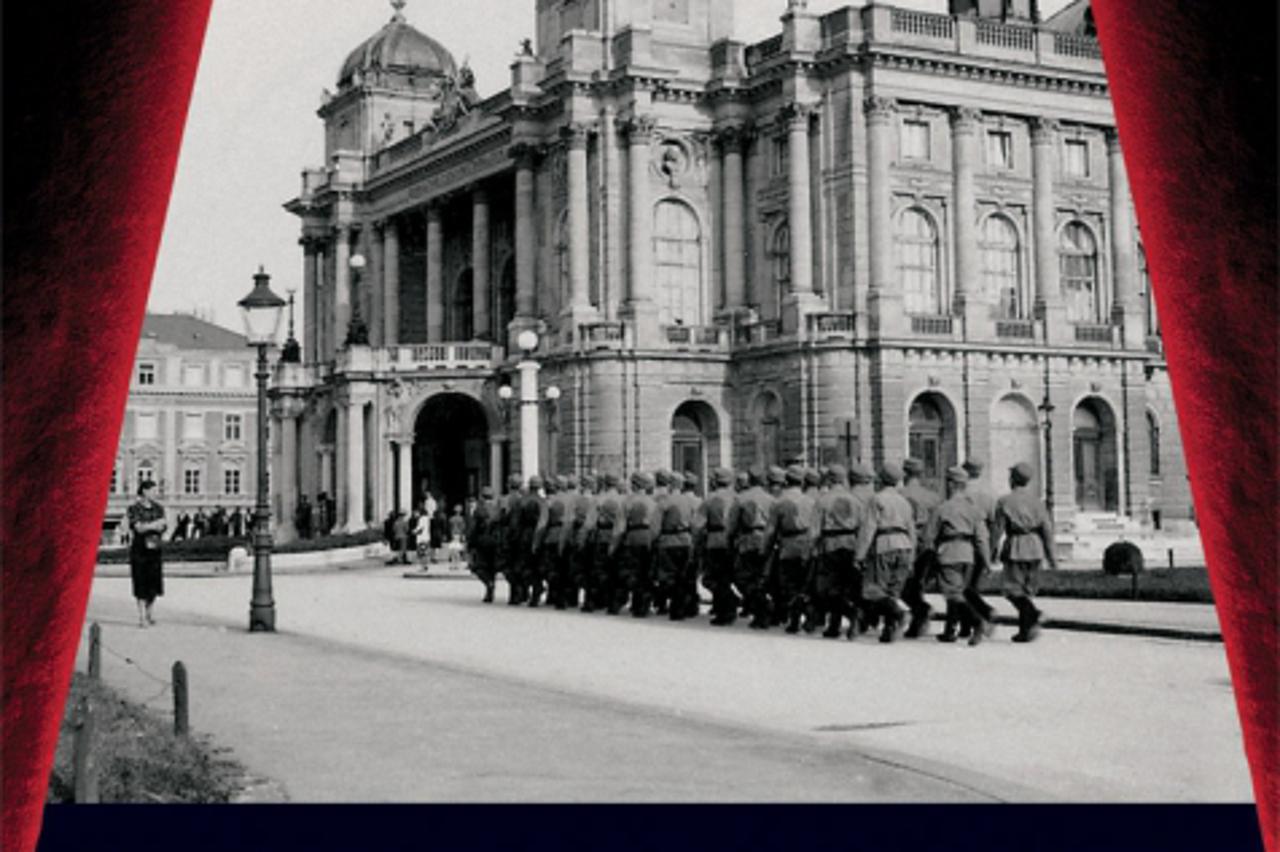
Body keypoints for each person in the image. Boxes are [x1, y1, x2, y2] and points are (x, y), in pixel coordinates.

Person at [922, 466, 994, 646]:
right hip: (968, 555)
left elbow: (928, 537)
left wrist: (928, 559)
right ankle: (950, 630)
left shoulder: (942, 508)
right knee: (958, 591)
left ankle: (978, 621)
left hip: (949, 553)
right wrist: (987, 562)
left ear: (951, 485)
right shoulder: (974, 509)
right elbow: (982, 539)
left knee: (952, 593)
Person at [992, 462, 1057, 643]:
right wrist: (1052, 556)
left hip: (1016, 546)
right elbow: (1047, 530)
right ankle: (1025, 630)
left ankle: (1034, 614)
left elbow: (997, 530)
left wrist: (990, 551)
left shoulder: (1005, 501)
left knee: (1011, 589)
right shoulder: (1038, 502)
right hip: (1035, 547)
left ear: (1012, 479)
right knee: (1026, 590)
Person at [854, 462, 917, 643]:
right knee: (894, 590)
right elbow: (911, 530)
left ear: (881, 480)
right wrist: (912, 555)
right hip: (904, 545)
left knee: (875, 590)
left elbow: (868, 529)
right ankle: (889, 629)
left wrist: (859, 555)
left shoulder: (876, 499)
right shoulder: (904, 502)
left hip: (884, 544)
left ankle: (899, 612)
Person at [763, 466, 816, 634]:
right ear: (802, 482)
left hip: (788, 546)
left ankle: (795, 620)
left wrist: (765, 550)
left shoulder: (779, 503)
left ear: (786, 481)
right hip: (808, 545)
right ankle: (809, 614)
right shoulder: (811, 501)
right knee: (805, 584)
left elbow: (771, 531)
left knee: (789, 585)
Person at [730, 467, 775, 630]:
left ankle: (761, 607)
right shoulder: (771, 499)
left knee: (743, 578)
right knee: (762, 577)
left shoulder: (741, 499)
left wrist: (731, 540)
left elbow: (732, 524)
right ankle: (764, 608)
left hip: (747, 540)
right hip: (766, 540)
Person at [900, 458, 942, 638]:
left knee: (903, 585)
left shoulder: (900, 495)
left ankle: (921, 612)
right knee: (918, 583)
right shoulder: (933, 497)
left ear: (904, 473)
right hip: (928, 543)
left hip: (906, 542)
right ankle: (918, 622)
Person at [959, 459, 999, 634]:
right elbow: (994, 522)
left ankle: (984, 613)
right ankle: (967, 625)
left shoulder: (962, 492)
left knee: (961, 586)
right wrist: (991, 548)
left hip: (965, 542)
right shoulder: (990, 492)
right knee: (972, 584)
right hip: (983, 541)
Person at [612, 471, 658, 617]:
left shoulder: (626, 502)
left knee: (629, 572)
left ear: (634, 485)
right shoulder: (653, 502)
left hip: (632, 538)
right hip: (648, 538)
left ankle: (621, 602)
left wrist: (613, 545)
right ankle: (643, 605)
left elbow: (620, 527)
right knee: (645, 572)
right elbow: (656, 526)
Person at [696, 468, 738, 626]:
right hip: (733, 542)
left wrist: (698, 542)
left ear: (714, 481)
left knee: (714, 578)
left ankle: (726, 608)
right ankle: (727, 606)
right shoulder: (737, 498)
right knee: (727, 576)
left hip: (715, 541)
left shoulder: (710, 499)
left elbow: (698, 525)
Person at [656, 471, 697, 621]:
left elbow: (656, 525)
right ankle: (686, 606)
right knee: (684, 575)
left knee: (669, 576)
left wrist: (655, 540)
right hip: (686, 540)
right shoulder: (690, 501)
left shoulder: (664, 501)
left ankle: (675, 607)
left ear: (670, 484)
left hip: (668, 541)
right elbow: (695, 524)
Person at [127, 481, 167, 628]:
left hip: (155, 548)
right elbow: (138, 528)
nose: (155, 493)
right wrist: (155, 524)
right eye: (153, 490)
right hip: (140, 549)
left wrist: (149, 525)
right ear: (144, 491)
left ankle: (150, 613)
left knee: (154, 583)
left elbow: (163, 526)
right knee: (140, 581)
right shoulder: (134, 509)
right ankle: (142, 616)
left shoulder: (159, 508)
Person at [589, 472, 625, 613]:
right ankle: (614, 601)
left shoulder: (598, 499)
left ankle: (597, 600)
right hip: (618, 536)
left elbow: (590, 523)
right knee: (616, 570)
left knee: (599, 569)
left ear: (604, 483)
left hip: (601, 535)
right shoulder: (623, 500)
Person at [467, 488, 499, 602]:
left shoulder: (479, 510)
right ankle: (490, 590)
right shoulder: (497, 509)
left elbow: (473, 528)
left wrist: (470, 542)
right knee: (492, 568)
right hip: (495, 541)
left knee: (478, 567)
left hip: (482, 541)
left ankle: (489, 584)